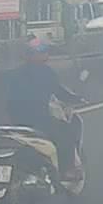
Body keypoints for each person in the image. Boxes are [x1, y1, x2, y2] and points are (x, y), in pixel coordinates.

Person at [6, 38, 84, 179]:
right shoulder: (46, 72)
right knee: (66, 132)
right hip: (38, 119)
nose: (46, 55)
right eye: (44, 52)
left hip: (16, 120)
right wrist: (76, 99)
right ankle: (67, 170)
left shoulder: (16, 73)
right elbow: (58, 91)